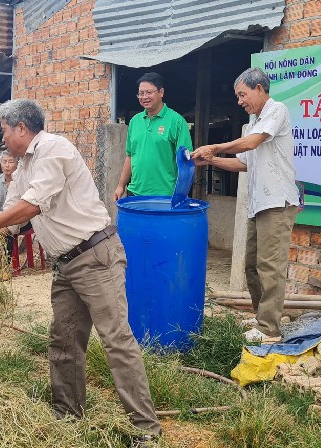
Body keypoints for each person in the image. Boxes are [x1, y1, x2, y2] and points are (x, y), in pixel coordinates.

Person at [0, 99, 161, 444]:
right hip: (66, 265)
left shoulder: (54, 149)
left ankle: (146, 430)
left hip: (95, 256)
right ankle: (68, 414)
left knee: (116, 339)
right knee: (64, 340)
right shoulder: (22, 168)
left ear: (21, 128)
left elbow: (33, 204)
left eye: (5, 130)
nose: (2, 138)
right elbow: (12, 216)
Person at [191, 67, 300, 344]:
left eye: (243, 94)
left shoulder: (277, 111)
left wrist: (214, 147)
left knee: (270, 266)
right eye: (238, 96)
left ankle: (270, 330)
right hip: (259, 202)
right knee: (252, 265)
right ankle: (260, 316)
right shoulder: (254, 123)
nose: (240, 101)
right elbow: (243, 163)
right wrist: (212, 161)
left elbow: (251, 144)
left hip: (277, 202)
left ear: (260, 89)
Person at [114, 72, 193, 201]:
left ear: (161, 92)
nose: (144, 97)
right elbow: (130, 156)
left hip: (165, 195)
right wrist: (121, 185)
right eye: (141, 93)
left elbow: (186, 161)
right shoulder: (135, 121)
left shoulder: (176, 121)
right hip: (135, 192)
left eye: (149, 92)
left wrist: (182, 194)